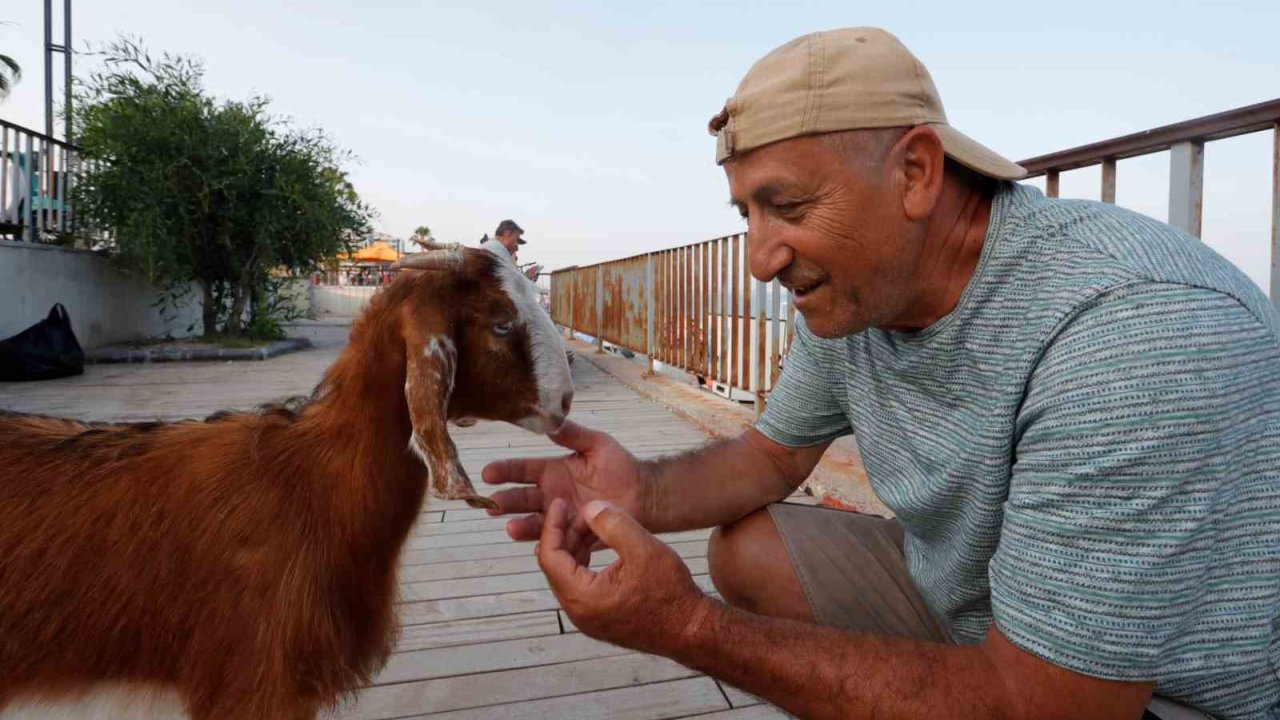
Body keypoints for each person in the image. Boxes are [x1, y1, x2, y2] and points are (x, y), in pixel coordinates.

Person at [482, 27, 1280, 720]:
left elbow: (1051, 709)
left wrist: (688, 627)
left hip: (1154, 694)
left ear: (916, 174)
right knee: (749, 549)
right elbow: (770, 457)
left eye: (786, 207)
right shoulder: (865, 294)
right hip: (988, 612)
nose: (761, 259)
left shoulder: (1126, 332)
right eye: (746, 216)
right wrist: (640, 493)